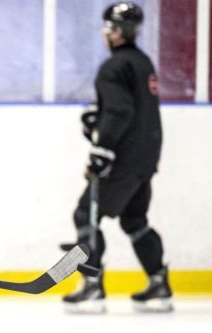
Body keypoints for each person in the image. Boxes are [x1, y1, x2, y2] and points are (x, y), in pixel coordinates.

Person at [62, 2, 172, 314]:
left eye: (108, 27)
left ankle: (92, 285)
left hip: (123, 160)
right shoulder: (142, 62)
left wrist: (101, 152)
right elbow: (133, 111)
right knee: (134, 220)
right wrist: (97, 119)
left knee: (85, 216)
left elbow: (120, 112)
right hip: (145, 158)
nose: (105, 33)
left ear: (118, 31)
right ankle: (159, 282)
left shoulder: (114, 67)